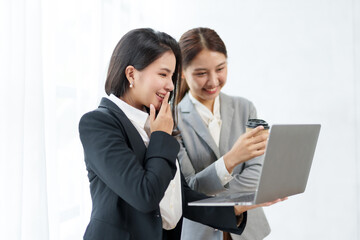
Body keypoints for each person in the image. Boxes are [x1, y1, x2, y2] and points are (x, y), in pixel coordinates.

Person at [78, 28, 281, 240]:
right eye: (163, 74)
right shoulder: (99, 123)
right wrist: (161, 137)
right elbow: (145, 195)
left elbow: (180, 197)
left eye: (172, 76)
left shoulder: (154, 121)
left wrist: (236, 209)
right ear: (131, 74)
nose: (170, 85)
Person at [175, 27, 271, 240]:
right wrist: (232, 159)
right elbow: (190, 188)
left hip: (248, 232)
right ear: (181, 71)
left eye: (220, 68)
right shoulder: (173, 120)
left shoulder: (245, 108)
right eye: (201, 73)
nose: (213, 81)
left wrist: (210, 195)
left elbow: (258, 175)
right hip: (200, 233)